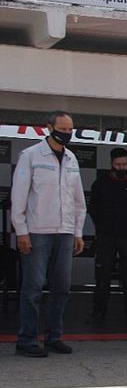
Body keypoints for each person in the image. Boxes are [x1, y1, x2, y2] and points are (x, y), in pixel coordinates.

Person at [11, 111, 86, 357]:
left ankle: (54, 336)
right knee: (32, 288)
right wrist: (21, 231)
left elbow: (78, 201)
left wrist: (77, 232)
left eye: (69, 129)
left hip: (65, 232)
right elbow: (19, 196)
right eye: (62, 129)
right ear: (49, 128)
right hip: (37, 232)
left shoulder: (72, 159)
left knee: (62, 288)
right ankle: (27, 340)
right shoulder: (31, 156)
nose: (66, 133)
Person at [88, 147, 127, 324]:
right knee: (102, 274)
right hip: (106, 236)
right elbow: (93, 209)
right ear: (111, 164)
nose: (121, 168)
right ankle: (99, 313)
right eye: (118, 164)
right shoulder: (100, 184)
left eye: (124, 164)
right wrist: (103, 227)